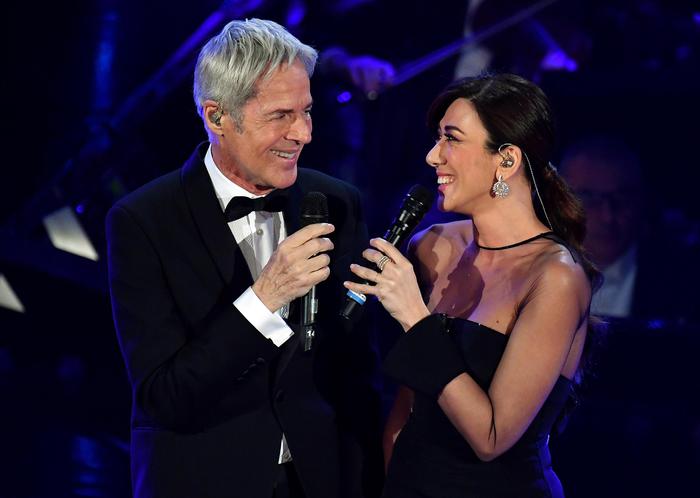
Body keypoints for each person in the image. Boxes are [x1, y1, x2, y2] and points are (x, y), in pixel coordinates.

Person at [106, 18, 382, 498]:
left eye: (307, 111)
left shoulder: (337, 201)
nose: (303, 134)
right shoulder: (142, 221)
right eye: (280, 116)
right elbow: (163, 397)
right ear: (217, 118)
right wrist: (264, 297)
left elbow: (355, 371)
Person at [343, 73, 602, 497]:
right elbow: (408, 404)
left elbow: (491, 437)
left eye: (452, 139)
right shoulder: (431, 246)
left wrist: (413, 314)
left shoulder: (555, 277)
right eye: (436, 139)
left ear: (507, 159)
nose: (432, 156)